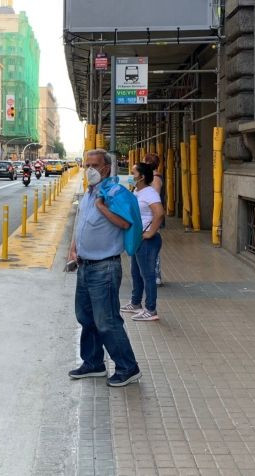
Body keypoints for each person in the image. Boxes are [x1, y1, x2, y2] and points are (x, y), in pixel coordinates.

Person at [67, 149, 142, 387]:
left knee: (106, 320)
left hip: (105, 267)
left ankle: (128, 367)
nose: (89, 169)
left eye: (95, 165)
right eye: (86, 164)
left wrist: (102, 208)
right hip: (85, 265)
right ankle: (93, 363)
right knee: (85, 316)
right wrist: (73, 248)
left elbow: (125, 222)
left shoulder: (113, 192)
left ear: (106, 168)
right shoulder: (90, 193)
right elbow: (80, 223)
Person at [122, 162, 165, 322]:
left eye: (133, 173)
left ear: (141, 176)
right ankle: (135, 303)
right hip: (137, 239)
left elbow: (159, 214)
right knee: (136, 273)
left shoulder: (149, 193)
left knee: (148, 275)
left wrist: (150, 233)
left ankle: (151, 309)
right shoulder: (137, 191)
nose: (131, 176)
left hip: (148, 241)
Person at [142, 152, 165, 286]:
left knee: (153, 247)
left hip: (152, 217)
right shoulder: (151, 177)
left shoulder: (155, 179)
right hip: (149, 217)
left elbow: (154, 198)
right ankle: (152, 274)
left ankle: (156, 275)